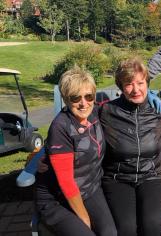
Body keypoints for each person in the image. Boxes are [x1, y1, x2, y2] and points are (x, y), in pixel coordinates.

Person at [35, 67, 117, 236]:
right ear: (66, 99)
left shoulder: (95, 113)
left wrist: (151, 97)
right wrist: (84, 218)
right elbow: (66, 182)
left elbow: (123, 106)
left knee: (109, 232)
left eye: (88, 96)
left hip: (90, 188)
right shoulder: (61, 127)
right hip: (56, 198)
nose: (83, 103)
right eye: (75, 97)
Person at [99, 57, 161, 236]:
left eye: (140, 83)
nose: (136, 89)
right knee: (126, 229)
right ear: (120, 87)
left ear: (147, 83)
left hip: (152, 175)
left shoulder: (158, 111)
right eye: (129, 84)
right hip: (118, 177)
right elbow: (76, 121)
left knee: (152, 226)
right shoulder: (106, 112)